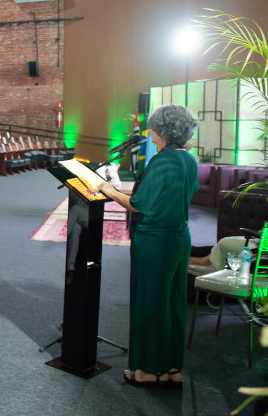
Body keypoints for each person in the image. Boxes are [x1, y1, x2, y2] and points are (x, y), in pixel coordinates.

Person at [97, 104, 199, 386]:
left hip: (154, 242)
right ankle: (172, 368)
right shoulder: (188, 159)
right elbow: (180, 192)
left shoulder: (162, 161)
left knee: (149, 304)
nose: (150, 134)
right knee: (174, 304)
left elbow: (139, 204)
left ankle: (147, 370)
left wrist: (109, 190)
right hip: (179, 239)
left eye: (153, 129)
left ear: (163, 131)